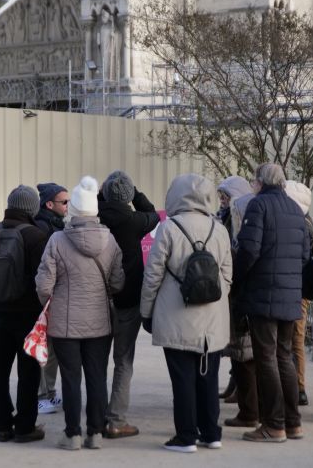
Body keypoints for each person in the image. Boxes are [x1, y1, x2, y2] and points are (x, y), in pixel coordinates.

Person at [140, 173, 233, 453]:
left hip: (175, 316)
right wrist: (215, 299)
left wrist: (147, 311)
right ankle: (211, 433)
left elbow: (153, 274)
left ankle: (186, 437)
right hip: (212, 321)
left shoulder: (169, 228)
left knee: (182, 379)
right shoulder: (219, 230)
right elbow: (227, 275)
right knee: (209, 376)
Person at [36, 176, 125, 451]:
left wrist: (51, 304)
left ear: (73, 208)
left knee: (70, 377)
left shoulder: (57, 240)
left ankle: (72, 434)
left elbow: (43, 285)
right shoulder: (110, 241)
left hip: (64, 324)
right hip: (99, 322)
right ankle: (95, 433)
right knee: (97, 376)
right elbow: (118, 282)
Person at [233, 163, 309, 443]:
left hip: (263, 293)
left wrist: (237, 279)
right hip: (289, 295)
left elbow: (249, 250)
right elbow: (303, 256)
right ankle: (293, 422)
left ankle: (274, 425)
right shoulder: (295, 210)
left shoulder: (258, 206)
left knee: (266, 358)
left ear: (260, 182)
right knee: (284, 356)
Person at [0, 185, 49, 443]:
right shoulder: (36, 236)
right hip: (28, 315)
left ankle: (2, 426)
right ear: (32, 208)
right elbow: (43, 278)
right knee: (29, 371)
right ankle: (26, 426)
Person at [97, 170, 160, 438]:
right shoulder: (133, 220)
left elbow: (101, 200)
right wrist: (136, 193)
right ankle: (116, 419)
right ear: (128, 196)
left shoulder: (96, 215)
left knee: (96, 359)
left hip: (97, 299)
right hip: (127, 299)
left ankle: (95, 414)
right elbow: (154, 214)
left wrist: (103, 193)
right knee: (123, 359)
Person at [215, 176, 253, 405]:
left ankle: (241, 387)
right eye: (221, 196)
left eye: (225, 196)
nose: (221, 200)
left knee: (242, 341)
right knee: (234, 340)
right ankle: (235, 381)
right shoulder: (224, 216)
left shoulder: (240, 218)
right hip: (230, 284)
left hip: (239, 283)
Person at [33, 182, 68, 414]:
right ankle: (41, 395)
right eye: (64, 202)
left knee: (52, 349)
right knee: (43, 349)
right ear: (49, 204)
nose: (67, 206)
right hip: (43, 298)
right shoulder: (43, 229)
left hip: (52, 298)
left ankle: (50, 392)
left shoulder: (55, 226)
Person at [284, 180, 313, 407]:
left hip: (297, 288)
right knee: (296, 338)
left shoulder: (300, 223)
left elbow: (302, 258)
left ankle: (299, 386)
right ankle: (298, 385)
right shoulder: (306, 221)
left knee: (295, 338)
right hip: (299, 287)